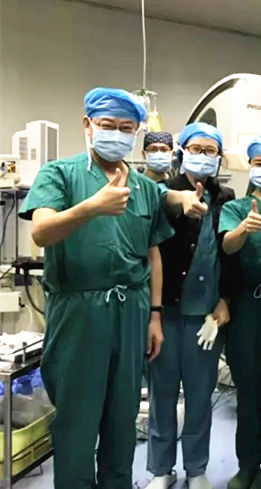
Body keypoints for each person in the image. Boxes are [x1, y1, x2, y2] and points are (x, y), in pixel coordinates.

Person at [18, 87, 174, 489]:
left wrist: (155, 316)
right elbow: (41, 232)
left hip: (132, 311)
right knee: (77, 420)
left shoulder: (144, 187)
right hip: (79, 314)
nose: (117, 134)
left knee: (123, 419)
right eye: (108, 125)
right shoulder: (59, 174)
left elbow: (153, 255)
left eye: (126, 128)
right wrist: (92, 206)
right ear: (87, 125)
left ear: (136, 132)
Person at [147, 122, 236, 489]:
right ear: (181, 151)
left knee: (200, 397)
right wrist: (182, 205)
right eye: (196, 149)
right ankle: (161, 470)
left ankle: (197, 469)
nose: (203, 156)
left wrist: (225, 299)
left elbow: (230, 255)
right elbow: (152, 246)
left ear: (219, 156)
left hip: (205, 314)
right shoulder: (161, 192)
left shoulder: (226, 197)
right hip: (165, 309)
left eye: (210, 151)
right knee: (162, 394)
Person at [220, 136, 261, 489]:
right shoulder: (237, 207)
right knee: (247, 391)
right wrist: (242, 230)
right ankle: (247, 465)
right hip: (247, 305)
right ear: (249, 166)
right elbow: (227, 247)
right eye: (259, 163)